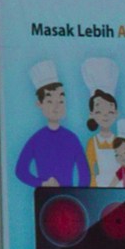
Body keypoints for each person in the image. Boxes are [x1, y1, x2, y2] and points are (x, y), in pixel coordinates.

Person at [15, 55, 91, 189]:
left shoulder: (71, 138)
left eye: (60, 101)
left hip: (70, 198)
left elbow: (84, 173)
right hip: (45, 198)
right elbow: (21, 171)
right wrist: (42, 183)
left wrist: (78, 194)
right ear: (39, 104)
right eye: (50, 101)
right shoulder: (37, 139)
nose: (56, 107)